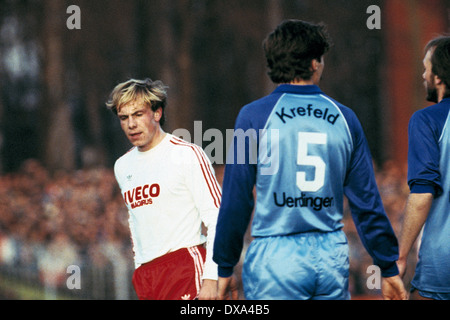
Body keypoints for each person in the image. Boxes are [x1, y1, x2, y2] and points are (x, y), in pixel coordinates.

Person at [213, 19, 406, 300]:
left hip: (276, 258)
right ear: (315, 64)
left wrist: (224, 265)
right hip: (330, 257)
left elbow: (236, 198)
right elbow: (367, 203)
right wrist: (387, 267)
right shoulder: (345, 118)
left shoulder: (253, 117)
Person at [106, 78, 221, 300]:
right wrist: (139, 267)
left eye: (138, 114)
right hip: (147, 277)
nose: (131, 124)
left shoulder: (186, 154)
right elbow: (135, 220)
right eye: (124, 118)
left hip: (185, 267)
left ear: (157, 113)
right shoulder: (122, 166)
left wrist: (211, 278)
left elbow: (218, 217)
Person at [398, 36, 450, 300]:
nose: (423, 74)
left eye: (426, 67)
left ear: (439, 76)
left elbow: (422, 195)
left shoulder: (426, 120)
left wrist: (401, 256)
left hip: (442, 263)